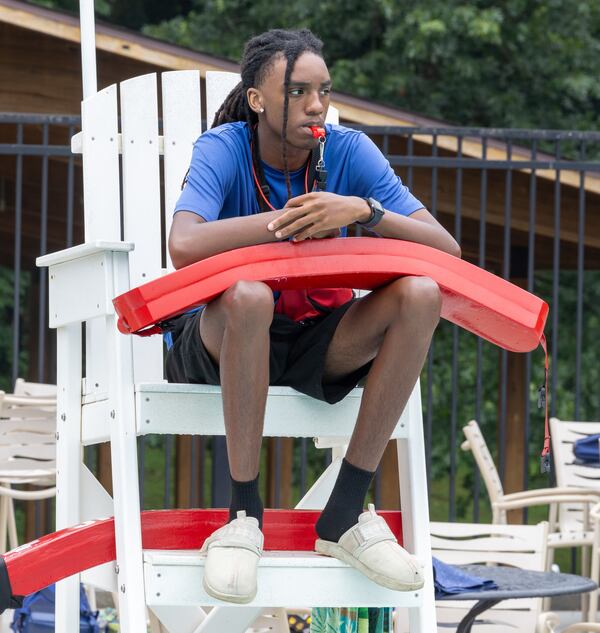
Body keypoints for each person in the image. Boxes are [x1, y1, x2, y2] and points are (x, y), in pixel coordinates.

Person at [166, 28, 460, 604]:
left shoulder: (349, 151)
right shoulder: (224, 147)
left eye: (323, 90)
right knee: (249, 296)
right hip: (222, 338)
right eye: (297, 92)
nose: (316, 105)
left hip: (316, 339)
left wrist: (364, 210)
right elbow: (184, 243)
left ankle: (345, 511)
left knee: (421, 294)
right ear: (257, 99)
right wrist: (291, 221)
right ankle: (243, 515)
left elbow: (444, 250)